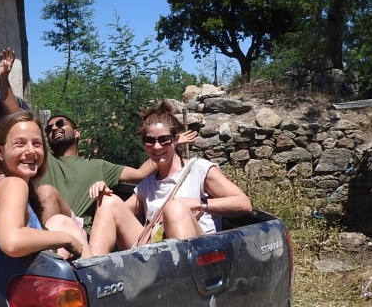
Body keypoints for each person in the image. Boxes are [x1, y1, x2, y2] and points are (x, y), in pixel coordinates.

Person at [0, 47, 196, 230]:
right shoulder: (43, 160)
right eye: (48, 128)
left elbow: (140, 173)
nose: (54, 128)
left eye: (60, 124)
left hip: (82, 233)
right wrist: (4, 79)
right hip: (48, 231)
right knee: (45, 192)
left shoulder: (98, 167)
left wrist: (169, 145)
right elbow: (16, 116)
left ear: (77, 133)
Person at [88, 99, 252, 255]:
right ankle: (90, 269)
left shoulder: (199, 169)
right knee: (108, 202)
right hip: (156, 254)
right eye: (150, 140)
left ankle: (182, 273)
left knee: (175, 208)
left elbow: (243, 204)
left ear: (175, 140)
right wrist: (103, 194)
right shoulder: (147, 185)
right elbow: (115, 214)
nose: (157, 146)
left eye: (164, 140)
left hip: (199, 254)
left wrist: (196, 203)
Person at [0, 110, 88, 259]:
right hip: (21, 272)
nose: (31, 151)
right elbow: (12, 242)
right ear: (0, 151)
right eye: (20, 144)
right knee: (64, 223)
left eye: (36, 143)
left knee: (61, 221)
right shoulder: (13, 184)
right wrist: (66, 238)